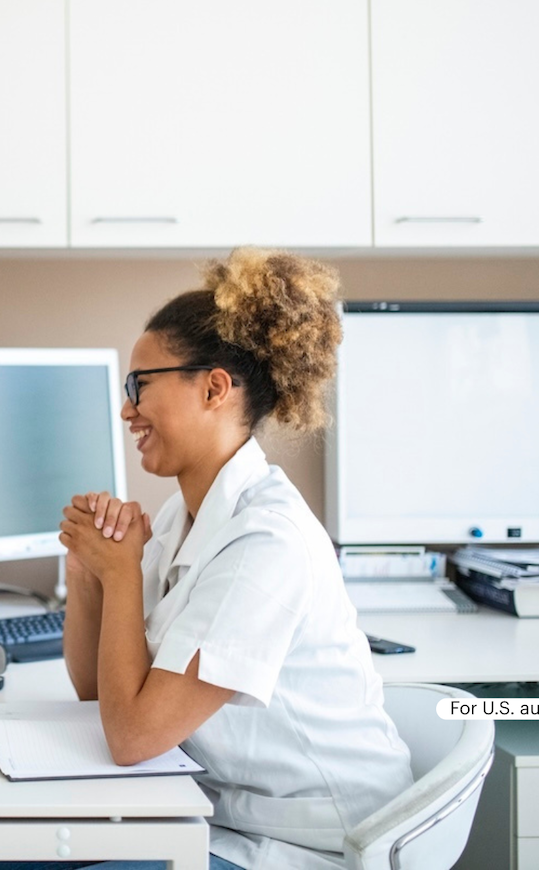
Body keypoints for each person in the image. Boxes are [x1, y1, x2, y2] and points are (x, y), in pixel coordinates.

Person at [57, 249, 413, 870]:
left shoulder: (266, 542)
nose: (125, 410)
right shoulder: (182, 516)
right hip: (223, 816)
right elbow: (97, 691)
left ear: (214, 387)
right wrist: (89, 572)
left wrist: (120, 576)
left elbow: (133, 737)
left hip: (316, 843)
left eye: (140, 385)